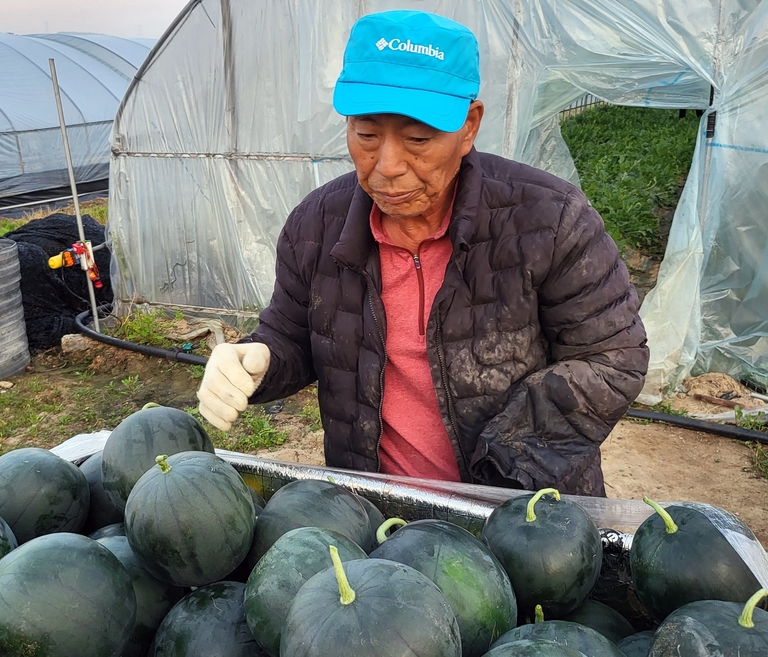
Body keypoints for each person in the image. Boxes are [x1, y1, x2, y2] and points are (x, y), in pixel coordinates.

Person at [197, 10, 649, 496]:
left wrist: (498, 478)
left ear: (469, 126)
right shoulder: (316, 226)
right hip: (379, 515)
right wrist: (258, 358)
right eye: (366, 135)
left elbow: (612, 358)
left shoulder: (548, 220)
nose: (387, 167)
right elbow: (292, 333)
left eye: (418, 139)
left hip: (527, 514)